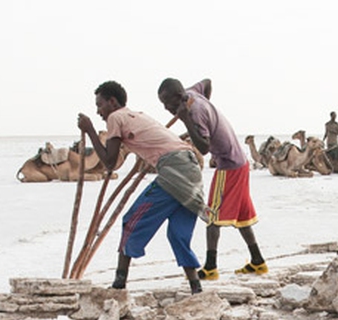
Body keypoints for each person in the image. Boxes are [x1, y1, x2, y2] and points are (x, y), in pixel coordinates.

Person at [76, 80, 205, 293]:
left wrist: (90, 130)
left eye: (100, 105)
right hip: (192, 168)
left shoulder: (115, 117)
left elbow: (109, 163)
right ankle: (196, 288)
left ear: (112, 101)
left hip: (174, 170)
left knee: (131, 221)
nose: (99, 111)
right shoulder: (138, 115)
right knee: (178, 233)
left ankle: (119, 284)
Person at [159, 77, 266, 279]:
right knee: (242, 216)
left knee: (212, 215)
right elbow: (207, 82)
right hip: (241, 162)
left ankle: (210, 267)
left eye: (168, 104)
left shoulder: (195, 112)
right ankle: (257, 261)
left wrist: (187, 120)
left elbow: (204, 148)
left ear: (179, 97)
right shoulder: (192, 93)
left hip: (229, 165)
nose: (166, 108)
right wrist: (209, 109)